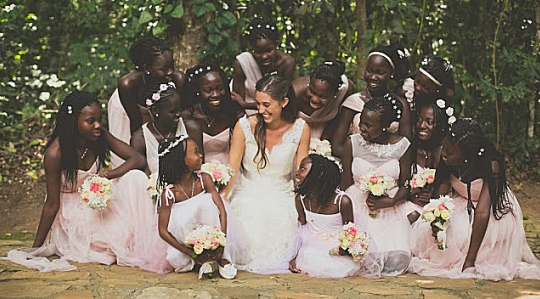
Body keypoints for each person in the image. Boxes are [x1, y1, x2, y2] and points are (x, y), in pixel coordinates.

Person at [3, 91, 171, 273]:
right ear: (73, 122)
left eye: (100, 119)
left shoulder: (99, 136)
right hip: (73, 211)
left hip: (100, 196)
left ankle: (151, 239)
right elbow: (51, 204)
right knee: (113, 237)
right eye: (90, 121)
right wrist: (36, 247)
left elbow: (137, 159)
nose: (98, 125)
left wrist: (107, 176)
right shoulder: (55, 153)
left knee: (136, 178)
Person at [408, 118, 540, 280]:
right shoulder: (446, 158)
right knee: (431, 232)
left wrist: (470, 262)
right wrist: (437, 222)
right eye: (445, 147)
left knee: (463, 235)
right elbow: (439, 198)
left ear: (466, 154)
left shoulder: (492, 164)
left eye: (450, 152)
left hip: (491, 209)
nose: (444, 153)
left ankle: (473, 256)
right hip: (462, 202)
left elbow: (483, 212)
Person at [223, 74, 310, 274]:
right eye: (258, 104)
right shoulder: (244, 125)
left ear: (284, 102)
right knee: (246, 211)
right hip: (247, 190)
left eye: (266, 104)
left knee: (282, 216)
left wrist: (306, 208)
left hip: (282, 192)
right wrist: (220, 201)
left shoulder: (300, 128)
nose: (260, 110)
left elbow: (302, 174)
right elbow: (232, 169)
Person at [342, 95, 412, 276]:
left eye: (368, 125)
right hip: (358, 205)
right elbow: (346, 182)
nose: (362, 128)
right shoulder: (352, 143)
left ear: (384, 126)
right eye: (362, 122)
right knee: (357, 255)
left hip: (390, 209)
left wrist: (391, 201)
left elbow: (406, 184)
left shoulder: (403, 146)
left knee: (396, 259)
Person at [289, 154, 382, 278]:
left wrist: (345, 249)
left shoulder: (342, 201)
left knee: (337, 267)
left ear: (318, 175)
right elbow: (302, 229)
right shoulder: (301, 199)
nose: (297, 173)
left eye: (302, 169)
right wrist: (295, 255)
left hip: (336, 248)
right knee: (309, 261)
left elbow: (350, 233)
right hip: (312, 246)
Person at [156, 135, 237, 278]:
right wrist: (190, 253)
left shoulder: (204, 179)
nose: (200, 155)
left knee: (207, 204)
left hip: (213, 234)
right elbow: (163, 230)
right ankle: (201, 260)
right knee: (176, 259)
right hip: (185, 241)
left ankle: (220, 258)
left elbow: (221, 211)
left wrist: (221, 243)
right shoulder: (170, 193)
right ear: (182, 161)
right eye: (195, 152)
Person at [108, 37, 187, 167]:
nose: (170, 72)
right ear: (147, 68)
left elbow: (182, 118)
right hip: (127, 118)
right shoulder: (128, 85)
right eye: (164, 68)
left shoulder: (178, 80)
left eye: (172, 66)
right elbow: (136, 123)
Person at [333, 44, 411, 158]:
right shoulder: (353, 102)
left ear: (391, 73)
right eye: (369, 70)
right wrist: (364, 162)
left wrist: (383, 162)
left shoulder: (401, 104)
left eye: (380, 72)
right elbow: (337, 146)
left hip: (390, 165)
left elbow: (406, 145)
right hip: (357, 164)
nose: (373, 77)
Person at [130, 81, 201, 174]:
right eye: (173, 111)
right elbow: (140, 177)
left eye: (180, 109)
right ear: (155, 110)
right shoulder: (140, 139)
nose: (179, 114)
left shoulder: (191, 129)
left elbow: (200, 165)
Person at [182, 64, 245, 164]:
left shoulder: (232, 113)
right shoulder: (188, 116)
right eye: (208, 90)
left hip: (230, 167)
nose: (215, 94)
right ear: (197, 91)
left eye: (220, 88)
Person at [232, 17, 296, 115]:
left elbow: (283, 100)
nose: (264, 56)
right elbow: (238, 103)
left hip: (274, 112)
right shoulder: (242, 63)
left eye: (268, 50)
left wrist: (246, 105)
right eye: (258, 52)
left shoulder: (287, 63)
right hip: (247, 113)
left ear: (276, 44)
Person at [407, 98, 450, 220]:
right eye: (419, 120)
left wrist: (434, 196)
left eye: (429, 122)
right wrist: (411, 195)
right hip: (410, 204)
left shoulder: (443, 152)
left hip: (437, 205)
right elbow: (403, 181)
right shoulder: (411, 148)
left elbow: (445, 183)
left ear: (439, 125)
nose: (422, 126)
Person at [292, 61, 354, 141]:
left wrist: (323, 143)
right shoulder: (295, 92)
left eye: (323, 96)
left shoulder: (345, 90)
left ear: (335, 94)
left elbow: (336, 121)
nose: (315, 99)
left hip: (325, 134)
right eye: (311, 91)